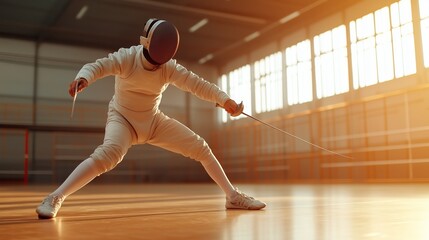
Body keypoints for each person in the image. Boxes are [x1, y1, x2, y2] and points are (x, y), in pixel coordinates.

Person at [36, 18, 266, 219]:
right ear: (145, 43)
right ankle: (55, 197)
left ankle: (232, 197)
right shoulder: (127, 57)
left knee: (201, 147)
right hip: (122, 119)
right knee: (108, 154)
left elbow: (198, 84)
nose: (158, 65)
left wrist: (225, 100)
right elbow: (97, 66)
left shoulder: (168, 66)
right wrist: (83, 78)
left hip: (153, 121)